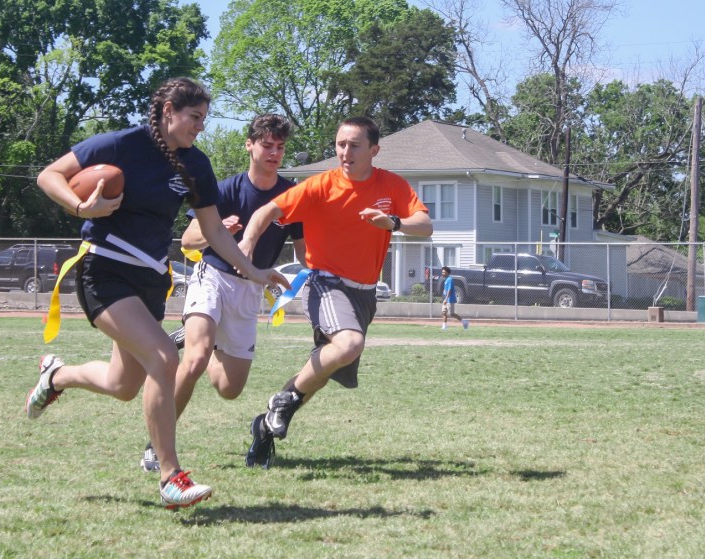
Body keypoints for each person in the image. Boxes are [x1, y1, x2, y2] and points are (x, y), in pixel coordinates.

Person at [25, 77, 288, 509]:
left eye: (204, 118)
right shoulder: (121, 144)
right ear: (168, 111)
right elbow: (49, 175)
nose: (200, 126)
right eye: (194, 117)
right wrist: (80, 208)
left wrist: (254, 270)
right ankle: (170, 476)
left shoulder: (196, 165)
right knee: (165, 358)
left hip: (150, 279)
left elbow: (214, 234)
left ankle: (55, 377)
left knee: (122, 384)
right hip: (104, 269)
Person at [238, 116, 433, 468]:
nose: (345, 151)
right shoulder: (319, 186)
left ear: (374, 150)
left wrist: (393, 223)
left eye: (354, 145)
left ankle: (266, 425)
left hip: (365, 294)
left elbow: (425, 225)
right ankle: (281, 403)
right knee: (348, 345)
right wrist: (246, 247)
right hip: (326, 284)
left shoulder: (392, 186)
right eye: (340, 144)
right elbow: (267, 211)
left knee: (321, 374)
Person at [140, 113, 306, 472]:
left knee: (230, 389)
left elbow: (306, 251)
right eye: (267, 145)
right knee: (195, 358)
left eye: (280, 147)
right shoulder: (226, 189)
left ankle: (207, 335)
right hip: (212, 276)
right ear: (249, 145)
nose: (274, 152)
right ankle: (158, 445)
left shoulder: (292, 196)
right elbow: (187, 241)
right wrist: (220, 230)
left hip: (250, 289)